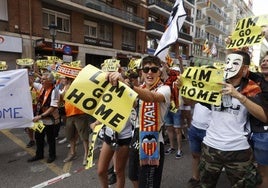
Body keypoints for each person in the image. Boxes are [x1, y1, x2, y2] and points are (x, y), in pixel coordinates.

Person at [199, 51, 267, 187]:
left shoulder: (252, 88)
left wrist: (239, 96)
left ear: (245, 69)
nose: (229, 66)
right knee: (205, 184)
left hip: (239, 150)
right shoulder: (215, 84)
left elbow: (264, 116)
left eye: (235, 63)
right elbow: (190, 102)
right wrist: (182, 87)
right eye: (228, 62)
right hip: (210, 146)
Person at [106, 55, 171, 188]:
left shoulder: (164, 89)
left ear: (159, 71)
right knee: (133, 175)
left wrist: (128, 85)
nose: (149, 73)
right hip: (136, 136)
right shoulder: (139, 88)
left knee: (148, 183)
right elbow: (132, 103)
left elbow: (152, 97)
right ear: (141, 72)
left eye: (153, 69)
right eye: (146, 69)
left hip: (152, 141)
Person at [246, 53, 268, 188]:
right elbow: (241, 69)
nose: (264, 62)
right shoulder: (258, 77)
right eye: (263, 60)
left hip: (264, 134)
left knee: (263, 172)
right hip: (251, 130)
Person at [28, 72, 60, 163]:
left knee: (50, 138)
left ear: (50, 81)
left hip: (49, 119)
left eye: (44, 79)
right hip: (40, 119)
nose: (41, 81)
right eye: (41, 79)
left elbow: (53, 107)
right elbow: (31, 82)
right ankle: (39, 154)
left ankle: (52, 155)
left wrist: (41, 116)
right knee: (38, 137)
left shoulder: (55, 91)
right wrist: (27, 73)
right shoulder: (42, 88)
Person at [62, 77, 90, 166]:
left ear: (68, 79)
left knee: (84, 136)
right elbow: (62, 100)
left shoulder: (79, 85)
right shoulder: (64, 87)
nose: (62, 80)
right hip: (69, 114)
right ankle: (73, 153)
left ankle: (87, 155)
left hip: (80, 114)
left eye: (64, 78)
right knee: (70, 136)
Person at [187, 102, 210, 188]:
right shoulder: (199, 88)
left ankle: (206, 181)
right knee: (195, 154)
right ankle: (195, 178)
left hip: (209, 128)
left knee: (209, 158)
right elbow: (188, 101)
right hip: (195, 126)